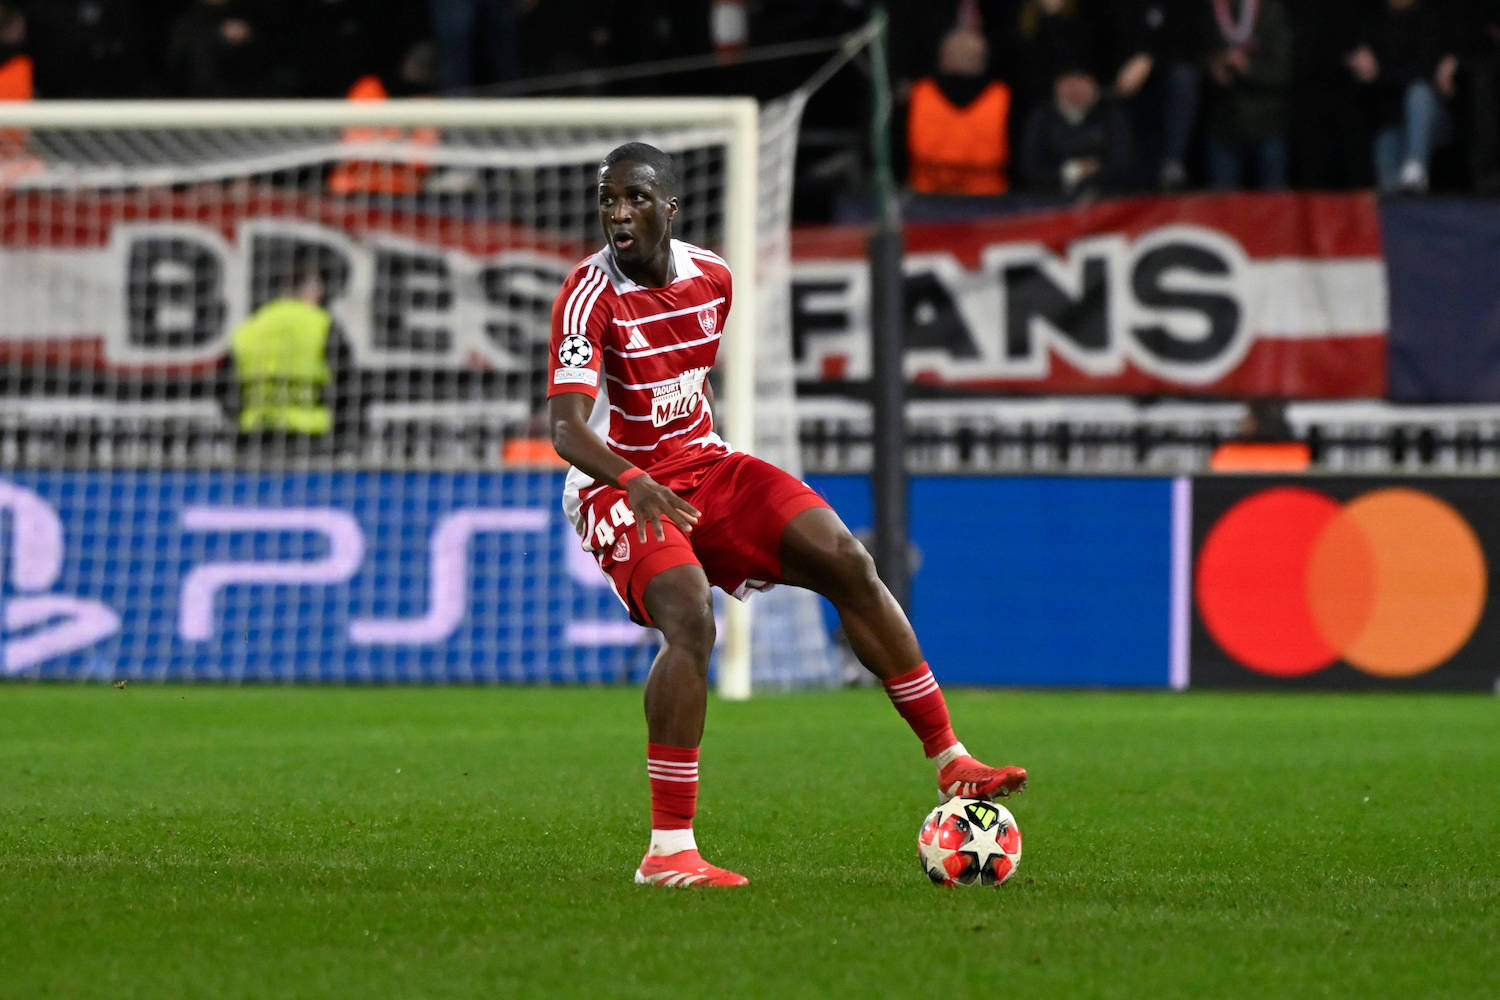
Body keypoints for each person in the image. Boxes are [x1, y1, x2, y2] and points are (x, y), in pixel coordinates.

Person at [548, 143, 1027, 888]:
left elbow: (689, 391)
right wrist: (635, 478)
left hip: (706, 467)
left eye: (635, 198)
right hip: (615, 484)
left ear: (669, 209)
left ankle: (950, 760)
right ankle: (669, 852)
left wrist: (721, 512)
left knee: (846, 559)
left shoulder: (715, 279)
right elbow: (569, 431)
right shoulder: (588, 296)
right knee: (688, 615)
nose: (618, 213)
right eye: (607, 199)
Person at [1348, 0, 1460, 194]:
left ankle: (1417, 166)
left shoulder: (1431, 18)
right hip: (1391, 121)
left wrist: (1380, 74)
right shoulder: (1372, 22)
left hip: (1431, 119)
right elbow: (1366, 77)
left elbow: (1424, 71)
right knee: (1390, 192)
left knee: (1419, 92)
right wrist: (1368, 74)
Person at [229, 260, 335, 439]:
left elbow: (226, 385)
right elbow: (347, 381)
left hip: (255, 435)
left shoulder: (249, 328)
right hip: (311, 437)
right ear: (314, 290)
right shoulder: (322, 325)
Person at [1198, 0, 1294, 191]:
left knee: (1274, 208)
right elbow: (1192, 56)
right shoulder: (1211, 8)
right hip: (1223, 124)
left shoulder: (1270, 10)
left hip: (1267, 124)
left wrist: (1248, 68)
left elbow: (1284, 70)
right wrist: (1213, 67)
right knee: (1223, 209)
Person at [906, 27, 1014, 194]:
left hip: (988, 198)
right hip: (926, 196)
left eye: (969, 55)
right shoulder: (920, 92)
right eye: (958, 53)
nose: (963, 59)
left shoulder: (1003, 95)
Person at [1019, 65, 1134, 200]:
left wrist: (1093, 172)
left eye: (1082, 82)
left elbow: (1123, 162)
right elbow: (1031, 165)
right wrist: (1069, 172)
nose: (1076, 90)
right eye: (1070, 83)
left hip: (1104, 198)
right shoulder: (1041, 117)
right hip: (1049, 198)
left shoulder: (1111, 115)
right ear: (1057, 86)